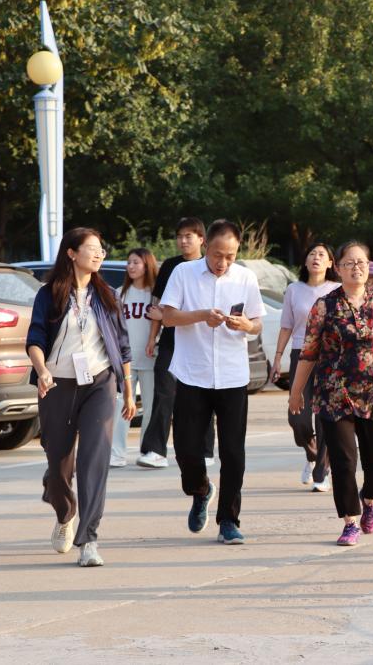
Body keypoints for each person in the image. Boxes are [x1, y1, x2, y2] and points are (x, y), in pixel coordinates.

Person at [26, 228, 136, 567]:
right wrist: (42, 371)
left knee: (94, 459)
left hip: (100, 383)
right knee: (58, 466)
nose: (99, 254)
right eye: (92, 248)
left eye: (102, 249)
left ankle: (89, 539)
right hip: (57, 384)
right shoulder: (49, 294)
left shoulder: (108, 295)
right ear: (72, 253)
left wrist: (128, 390)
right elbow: (35, 338)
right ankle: (65, 513)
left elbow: (122, 346)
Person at [160, 220, 265, 545]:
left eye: (230, 256)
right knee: (186, 449)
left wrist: (246, 325)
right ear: (206, 246)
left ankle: (229, 520)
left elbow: (258, 323)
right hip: (192, 373)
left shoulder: (245, 277)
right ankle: (201, 489)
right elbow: (167, 316)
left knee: (233, 452)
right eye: (218, 254)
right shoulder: (183, 273)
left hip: (233, 375)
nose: (223, 262)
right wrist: (201, 315)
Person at [290, 241, 373, 546]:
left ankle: (370, 500)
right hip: (334, 394)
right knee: (343, 462)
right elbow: (308, 353)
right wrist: (295, 392)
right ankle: (350, 521)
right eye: (349, 263)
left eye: (361, 262)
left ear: (369, 267)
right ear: (338, 269)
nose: (356, 268)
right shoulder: (324, 306)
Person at [140, 218, 215, 469]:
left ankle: (205, 450)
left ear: (201, 240)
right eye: (180, 236)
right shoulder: (170, 266)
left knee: (203, 396)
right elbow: (157, 305)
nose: (183, 241)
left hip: (201, 340)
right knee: (163, 393)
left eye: (189, 236)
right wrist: (152, 338)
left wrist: (167, 314)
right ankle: (155, 450)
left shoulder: (210, 266)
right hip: (171, 340)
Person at [270, 243, 341, 491]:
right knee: (297, 417)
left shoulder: (337, 289)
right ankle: (312, 455)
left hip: (329, 357)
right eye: (312, 253)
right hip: (300, 354)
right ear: (305, 260)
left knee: (324, 417)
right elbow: (287, 326)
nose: (316, 258)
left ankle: (322, 473)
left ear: (330, 263)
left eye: (322, 255)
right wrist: (277, 357)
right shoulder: (294, 290)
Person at [110, 248, 159, 467]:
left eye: (136, 262)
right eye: (129, 262)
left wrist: (154, 341)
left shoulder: (155, 293)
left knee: (150, 408)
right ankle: (117, 454)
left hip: (150, 358)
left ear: (147, 265)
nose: (130, 266)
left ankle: (147, 451)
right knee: (121, 405)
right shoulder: (120, 293)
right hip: (125, 361)